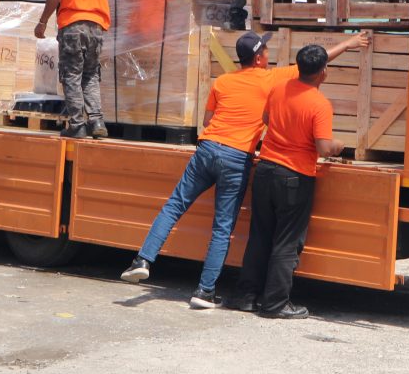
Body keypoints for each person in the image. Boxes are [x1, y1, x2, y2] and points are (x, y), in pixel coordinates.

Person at [120, 31, 367, 310]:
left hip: (207, 148)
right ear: (259, 58)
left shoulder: (222, 81)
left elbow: (207, 121)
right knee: (222, 226)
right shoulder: (271, 79)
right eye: (266, 51)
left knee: (174, 205)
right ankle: (205, 291)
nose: (268, 55)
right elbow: (314, 63)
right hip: (236, 157)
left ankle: (142, 260)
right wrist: (348, 44)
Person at [228, 44, 343, 319]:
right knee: (287, 242)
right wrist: (339, 146)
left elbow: (266, 118)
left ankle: (246, 296)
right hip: (294, 176)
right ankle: (275, 304)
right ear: (323, 72)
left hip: (265, 169)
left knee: (259, 236)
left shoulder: (279, 89)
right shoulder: (319, 104)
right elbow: (324, 148)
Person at [34, 0, 128, 139]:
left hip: (72, 24)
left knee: (72, 74)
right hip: (97, 25)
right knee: (91, 74)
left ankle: (77, 125)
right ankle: (97, 122)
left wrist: (42, 21)